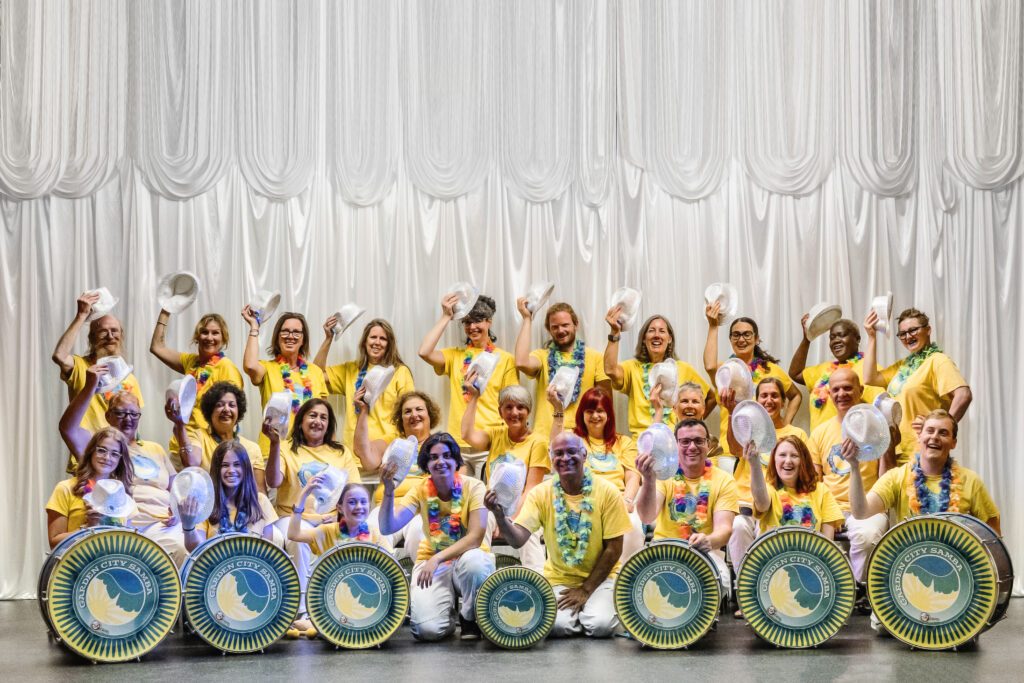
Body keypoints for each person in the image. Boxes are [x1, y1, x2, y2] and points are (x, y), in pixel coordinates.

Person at [486, 432, 632, 638]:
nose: (565, 458)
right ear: (552, 459)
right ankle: (581, 614)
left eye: (571, 452)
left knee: (599, 626)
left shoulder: (608, 491)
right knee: (556, 627)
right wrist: (500, 516)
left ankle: (591, 611)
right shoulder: (540, 493)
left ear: (584, 455)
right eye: (559, 453)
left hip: (601, 579)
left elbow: (614, 548)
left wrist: (585, 590)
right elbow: (517, 540)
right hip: (559, 580)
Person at [58, 367, 186, 564]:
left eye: (134, 414)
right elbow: (67, 428)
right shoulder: (100, 449)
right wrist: (90, 387)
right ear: (108, 416)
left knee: (183, 545)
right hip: (125, 525)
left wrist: (178, 512)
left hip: (163, 525)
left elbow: (177, 488)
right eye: (121, 413)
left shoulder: (155, 448)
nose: (128, 419)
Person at [378, 433, 494, 640]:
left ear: (456, 460)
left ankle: (468, 616)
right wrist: (388, 491)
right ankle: (445, 613)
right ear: (426, 464)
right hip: (433, 562)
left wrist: (437, 558)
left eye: (447, 456)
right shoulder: (420, 490)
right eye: (433, 457)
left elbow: (476, 538)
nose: (441, 462)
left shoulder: (474, 486)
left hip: (465, 560)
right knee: (426, 631)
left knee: (475, 561)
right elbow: (388, 527)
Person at [266, 398, 363, 635]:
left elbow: (353, 492)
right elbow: (272, 481)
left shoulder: (341, 452)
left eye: (323, 417)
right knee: (298, 540)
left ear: (329, 425)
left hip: (331, 519)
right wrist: (274, 444)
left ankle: (342, 608)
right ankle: (302, 612)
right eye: (312, 415)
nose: (318, 421)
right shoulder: (287, 448)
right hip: (292, 517)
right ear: (300, 422)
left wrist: (342, 519)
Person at [807, 368, 896, 584]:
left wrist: (889, 445)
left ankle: (860, 589)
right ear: (829, 394)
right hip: (830, 507)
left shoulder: (878, 430)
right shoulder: (820, 432)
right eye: (836, 389)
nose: (841, 394)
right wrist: (828, 513)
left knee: (866, 537)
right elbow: (813, 482)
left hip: (868, 508)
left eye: (848, 388)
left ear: (860, 390)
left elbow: (887, 480)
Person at [847, 409, 999, 532]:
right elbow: (861, 512)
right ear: (920, 437)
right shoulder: (896, 477)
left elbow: (993, 530)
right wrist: (854, 466)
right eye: (930, 431)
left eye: (943, 433)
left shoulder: (971, 481)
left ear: (954, 443)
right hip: (909, 566)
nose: (935, 437)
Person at [635, 418, 738, 595]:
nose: (692, 447)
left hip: (706, 553)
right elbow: (647, 516)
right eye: (685, 442)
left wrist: (709, 541)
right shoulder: (663, 475)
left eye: (698, 441)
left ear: (708, 445)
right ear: (675, 445)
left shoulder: (724, 480)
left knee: (720, 580)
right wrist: (649, 480)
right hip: (664, 551)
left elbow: (724, 530)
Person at [719, 378, 808, 572]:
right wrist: (732, 412)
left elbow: (805, 473)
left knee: (768, 526)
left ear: (784, 401)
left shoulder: (796, 434)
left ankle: (768, 584)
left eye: (775, 396)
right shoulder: (747, 429)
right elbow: (734, 448)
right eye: (764, 396)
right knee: (737, 526)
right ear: (756, 401)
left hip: (779, 507)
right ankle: (746, 588)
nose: (769, 400)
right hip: (744, 505)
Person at [418, 294, 518, 465]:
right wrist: (446, 316)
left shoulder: (505, 358)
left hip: (490, 440)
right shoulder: (454, 355)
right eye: (467, 322)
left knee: (488, 492)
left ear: (489, 321)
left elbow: (512, 403)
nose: (472, 327)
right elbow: (424, 352)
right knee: (460, 491)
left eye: (477, 321)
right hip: (459, 442)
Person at [862, 308, 972, 462]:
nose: (908, 336)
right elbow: (869, 378)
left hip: (923, 452)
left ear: (928, 330)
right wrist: (872, 337)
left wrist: (941, 429)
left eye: (913, 330)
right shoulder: (902, 366)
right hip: (896, 451)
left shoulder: (938, 361)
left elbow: (963, 395)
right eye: (903, 334)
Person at [461, 380, 550, 571]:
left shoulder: (538, 442)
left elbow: (531, 489)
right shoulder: (495, 434)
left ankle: (542, 586)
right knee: (480, 523)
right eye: (508, 407)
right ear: (500, 412)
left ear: (529, 411)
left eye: (520, 407)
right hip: (492, 504)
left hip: (527, 507)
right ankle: (481, 578)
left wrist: (508, 521)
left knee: (527, 531)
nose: (514, 412)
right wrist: (474, 398)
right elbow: (467, 435)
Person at [52, 291, 144, 471]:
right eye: (103, 331)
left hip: (121, 459)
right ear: (92, 338)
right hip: (88, 455)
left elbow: (133, 424)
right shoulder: (81, 366)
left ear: (121, 336)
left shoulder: (130, 377)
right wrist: (81, 316)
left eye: (114, 331)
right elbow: (60, 356)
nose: (110, 336)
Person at [550, 387, 645, 560]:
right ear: (582, 414)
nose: (595, 416)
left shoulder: (624, 442)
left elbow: (633, 476)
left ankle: (626, 578)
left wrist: (628, 501)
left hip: (618, 503)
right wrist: (558, 410)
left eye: (600, 411)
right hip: (582, 502)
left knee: (632, 525)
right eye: (590, 411)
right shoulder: (573, 437)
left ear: (608, 414)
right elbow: (556, 448)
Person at [704, 304, 801, 458]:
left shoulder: (771, 370)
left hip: (765, 450)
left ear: (756, 338)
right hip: (731, 452)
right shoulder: (725, 372)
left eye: (747, 334)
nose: (741, 339)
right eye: (736, 335)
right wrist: (713, 326)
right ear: (730, 339)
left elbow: (796, 395)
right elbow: (709, 366)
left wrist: (785, 426)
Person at [357, 390, 441, 559]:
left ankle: (420, 583)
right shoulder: (392, 441)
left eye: (419, 410)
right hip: (387, 507)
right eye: (407, 411)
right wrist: (363, 412)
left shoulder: (440, 444)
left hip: (421, 508)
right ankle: (386, 581)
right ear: (400, 419)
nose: (414, 415)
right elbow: (364, 455)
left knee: (420, 533)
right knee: (371, 534)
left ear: (430, 415)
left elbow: (456, 480)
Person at [604, 311, 711, 439]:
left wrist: (692, 423)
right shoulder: (632, 368)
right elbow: (610, 370)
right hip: (641, 444)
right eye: (651, 331)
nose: (656, 335)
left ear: (669, 339)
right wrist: (614, 333)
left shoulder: (684, 369)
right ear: (643, 339)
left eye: (662, 331)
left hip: (673, 443)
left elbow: (711, 397)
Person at [313, 317, 415, 449]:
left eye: (383, 339)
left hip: (386, 451)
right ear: (365, 342)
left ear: (389, 344)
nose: (377, 342)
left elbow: (409, 414)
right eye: (373, 337)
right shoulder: (350, 369)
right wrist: (328, 339)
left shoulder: (400, 372)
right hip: (354, 454)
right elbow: (315, 375)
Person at [150, 311, 244, 452]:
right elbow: (157, 347)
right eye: (205, 332)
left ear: (223, 338)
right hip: (181, 443)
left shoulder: (226, 367)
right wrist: (166, 310)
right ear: (197, 337)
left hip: (207, 447)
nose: (209, 337)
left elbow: (231, 415)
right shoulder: (191, 362)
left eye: (215, 333)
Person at [514, 300, 610, 438]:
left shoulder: (596, 358)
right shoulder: (542, 356)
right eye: (555, 327)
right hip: (545, 437)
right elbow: (521, 362)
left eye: (565, 325)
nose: (561, 331)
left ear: (576, 324)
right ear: (549, 330)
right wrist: (527, 319)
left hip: (582, 438)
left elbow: (605, 404)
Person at [241, 307, 328, 459]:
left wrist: (328, 452)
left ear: (303, 339)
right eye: (285, 331)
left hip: (309, 451)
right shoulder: (267, 368)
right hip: (274, 452)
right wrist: (254, 327)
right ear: (277, 337)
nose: (290, 336)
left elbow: (325, 416)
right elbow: (249, 365)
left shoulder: (315, 372)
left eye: (296, 332)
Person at [167, 381, 266, 492]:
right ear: (210, 411)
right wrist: (180, 425)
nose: (226, 409)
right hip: (208, 506)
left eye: (232, 405)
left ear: (239, 411)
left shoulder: (252, 448)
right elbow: (191, 462)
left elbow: (261, 492)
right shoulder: (198, 436)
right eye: (219, 405)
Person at [788, 317, 882, 432]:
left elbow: (882, 408)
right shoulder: (825, 369)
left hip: (847, 445)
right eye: (832, 338)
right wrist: (807, 339)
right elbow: (795, 373)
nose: (836, 340)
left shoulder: (868, 368)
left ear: (857, 339)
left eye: (842, 335)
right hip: (819, 444)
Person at [180, 440, 277, 551]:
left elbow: (268, 552)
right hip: (215, 566)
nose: (231, 470)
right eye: (225, 465)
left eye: (237, 465)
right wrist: (188, 527)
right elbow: (196, 550)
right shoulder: (205, 503)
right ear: (217, 470)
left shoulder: (261, 501)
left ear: (245, 468)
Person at [47, 428, 135, 549]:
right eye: (102, 450)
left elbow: (126, 542)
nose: (107, 457)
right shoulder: (65, 488)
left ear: (120, 460)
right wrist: (88, 528)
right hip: (77, 564)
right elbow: (54, 542)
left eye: (114, 454)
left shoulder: (121, 495)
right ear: (91, 452)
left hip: (112, 563)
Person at [288, 480, 393, 555]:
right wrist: (303, 495)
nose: (359, 507)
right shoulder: (327, 532)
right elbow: (294, 534)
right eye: (352, 502)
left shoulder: (376, 533)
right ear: (340, 507)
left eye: (363, 502)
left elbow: (390, 565)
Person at [649, 381, 725, 463]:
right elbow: (652, 456)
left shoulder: (712, 443)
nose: (690, 406)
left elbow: (711, 473)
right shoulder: (667, 439)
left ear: (703, 408)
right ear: (675, 408)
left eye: (695, 401)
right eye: (684, 401)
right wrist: (658, 410)